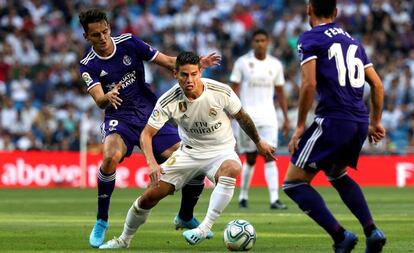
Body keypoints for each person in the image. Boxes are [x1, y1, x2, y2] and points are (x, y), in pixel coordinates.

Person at [98, 51, 276, 249]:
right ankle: (123, 240)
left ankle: (203, 228)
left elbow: (242, 117)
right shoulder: (168, 100)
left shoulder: (220, 91)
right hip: (188, 153)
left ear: (200, 72)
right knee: (149, 197)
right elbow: (146, 134)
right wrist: (152, 163)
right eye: (184, 75)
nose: (189, 80)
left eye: (193, 74)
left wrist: (259, 142)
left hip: (221, 151)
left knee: (233, 168)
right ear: (175, 74)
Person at [78, 9, 220, 248]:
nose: (102, 38)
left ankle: (185, 215)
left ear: (109, 27)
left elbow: (166, 61)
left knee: (192, 158)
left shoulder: (129, 43)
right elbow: (99, 99)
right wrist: (107, 96)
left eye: (104, 31)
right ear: (86, 37)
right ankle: (102, 220)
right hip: (119, 116)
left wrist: (195, 64)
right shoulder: (87, 65)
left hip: (150, 113)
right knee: (110, 158)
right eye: (95, 35)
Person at [282, 1, 387, 252]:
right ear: (336, 12)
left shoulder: (309, 38)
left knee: (294, 184)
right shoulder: (353, 42)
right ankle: (372, 231)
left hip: (333, 120)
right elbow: (378, 85)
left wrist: (299, 127)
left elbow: (308, 84)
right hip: (359, 121)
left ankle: (341, 237)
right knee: (337, 174)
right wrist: (375, 122)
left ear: (309, 11)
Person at [230, 29, 289, 210]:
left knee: (271, 156)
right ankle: (243, 196)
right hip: (247, 117)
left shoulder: (275, 65)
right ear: (252, 43)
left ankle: (274, 199)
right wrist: (232, 111)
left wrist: (286, 117)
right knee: (250, 158)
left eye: (263, 40)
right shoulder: (242, 63)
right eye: (257, 40)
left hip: (269, 117)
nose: (260, 44)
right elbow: (234, 88)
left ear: (268, 42)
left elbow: (280, 92)